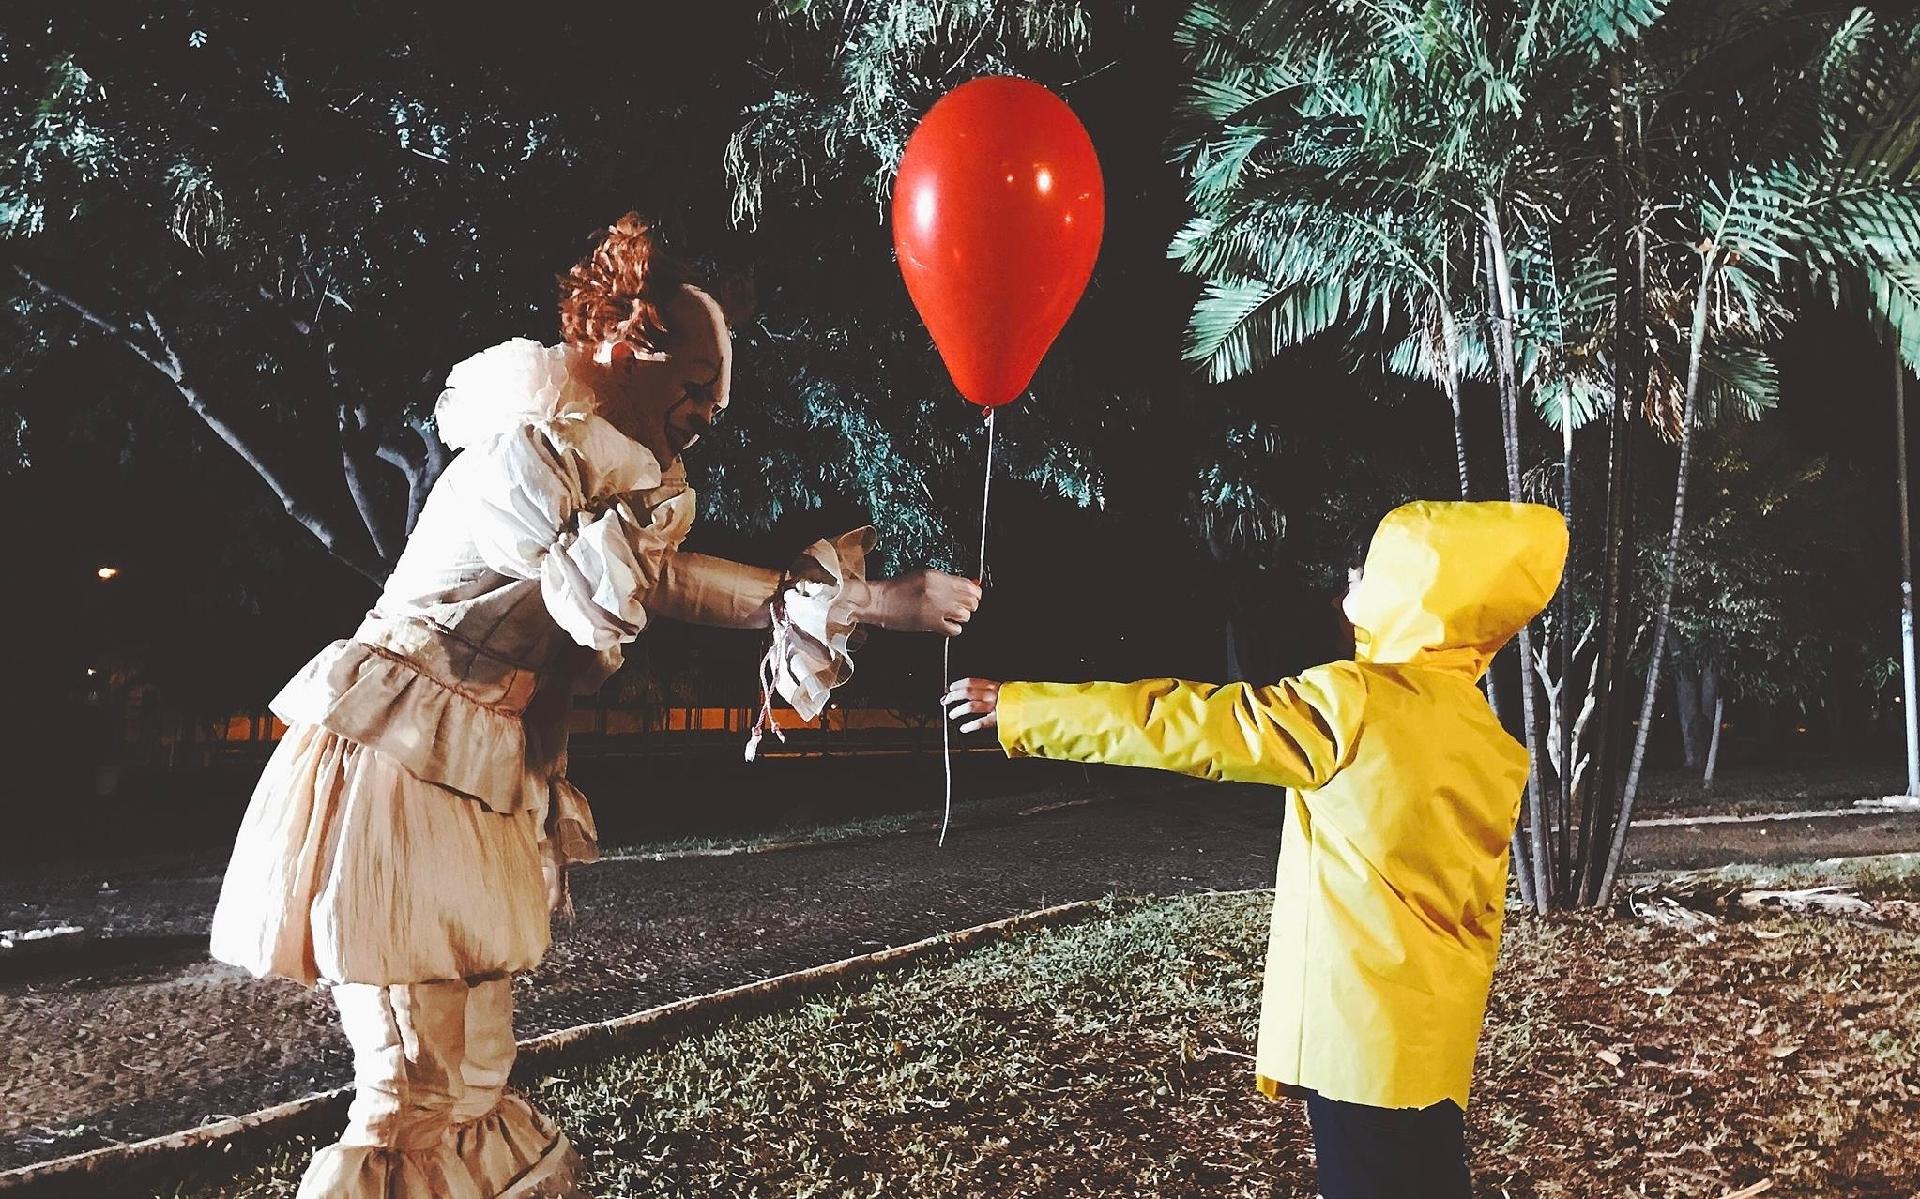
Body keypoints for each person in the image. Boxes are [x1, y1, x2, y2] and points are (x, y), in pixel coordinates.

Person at [210, 213, 981, 1199]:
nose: (708, 412)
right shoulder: (527, 460)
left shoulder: (595, 479)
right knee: (413, 1088)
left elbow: (655, 575)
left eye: (717, 395)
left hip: (470, 763)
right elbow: (648, 582)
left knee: (471, 1077)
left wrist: (873, 602)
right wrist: (873, 601)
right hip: (401, 756)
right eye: (696, 384)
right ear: (626, 345)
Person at [943, 500, 1567, 1199]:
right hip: (1435, 1035)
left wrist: (1026, 708)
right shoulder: (1485, 736)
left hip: (1361, 1037)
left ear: (1413, 592)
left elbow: (1191, 725)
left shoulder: (1354, 704)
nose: (1352, 577)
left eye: (1372, 567)